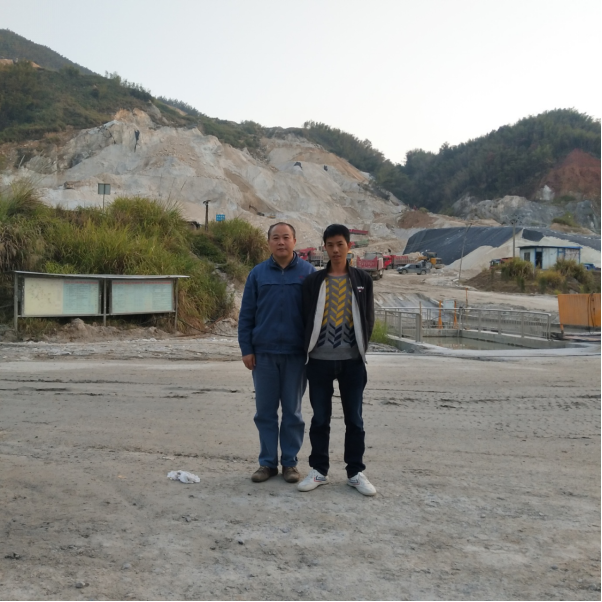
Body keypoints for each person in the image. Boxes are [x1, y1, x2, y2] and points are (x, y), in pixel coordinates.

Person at [298, 224, 376, 496]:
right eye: (330, 245)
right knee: (320, 419)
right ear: (324, 248)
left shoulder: (362, 280)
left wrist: (360, 348)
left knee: (354, 419)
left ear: (349, 246)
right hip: (318, 361)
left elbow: (368, 318)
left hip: (352, 362)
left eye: (340, 244)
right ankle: (319, 470)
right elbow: (305, 318)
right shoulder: (313, 282)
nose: (335, 250)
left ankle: (355, 472)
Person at [238, 222, 315, 484]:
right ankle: (267, 463)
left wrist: (312, 350)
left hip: (296, 355)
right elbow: (247, 315)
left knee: (293, 412)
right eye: (275, 238)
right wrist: (247, 349)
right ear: (269, 242)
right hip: (264, 355)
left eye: (286, 237)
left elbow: (316, 316)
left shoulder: (308, 273)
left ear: (295, 241)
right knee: (265, 412)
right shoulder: (257, 274)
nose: (281, 242)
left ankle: (290, 463)